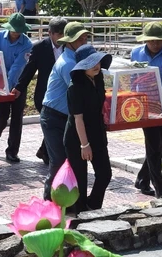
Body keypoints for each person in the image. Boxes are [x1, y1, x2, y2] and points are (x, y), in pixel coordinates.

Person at [40, 21, 91, 199]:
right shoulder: (68, 63)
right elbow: (81, 90)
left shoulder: (76, 59)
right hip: (53, 118)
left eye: (85, 38)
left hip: (67, 117)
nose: (84, 42)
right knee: (58, 161)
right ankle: (48, 200)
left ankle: (68, 200)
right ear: (69, 41)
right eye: (80, 39)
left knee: (72, 161)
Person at [130, 22, 162, 198]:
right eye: (151, 41)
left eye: (158, 41)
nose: (155, 45)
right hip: (144, 107)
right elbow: (131, 80)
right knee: (153, 147)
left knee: (158, 147)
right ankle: (161, 190)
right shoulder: (136, 53)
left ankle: (142, 179)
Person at [64, 44, 113, 214]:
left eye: (97, 61)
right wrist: (84, 145)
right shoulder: (75, 87)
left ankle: (92, 206)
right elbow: (78, 118)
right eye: (90, 63)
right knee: (80, 180)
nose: (96, 66)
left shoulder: (98, 78)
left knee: (105, 173)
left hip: (97, 131)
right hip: (77, 137)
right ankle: (79, 215)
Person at [15, 17, 68, 165]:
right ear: (50, 33)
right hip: (44, 96)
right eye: (59, 35)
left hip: (63, 95)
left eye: (64, 34)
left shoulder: (69, 46)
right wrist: (19, 87)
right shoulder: (39, 48)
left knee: (59, 124)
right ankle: (49, 154)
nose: (62, 38)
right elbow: (29, 70)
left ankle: (44, 151)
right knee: (54, 123)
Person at [0, 13, 34, 163]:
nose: (16, 33)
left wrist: (11, 86)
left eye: (19, 30)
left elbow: (18, 66)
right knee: (2, 113)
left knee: (17, 117)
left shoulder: (27, 44)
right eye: (14, 30)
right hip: (1, 80)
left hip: (19, 83)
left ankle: (12, 151)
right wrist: (0, 82)